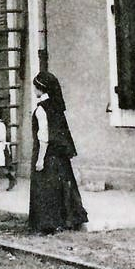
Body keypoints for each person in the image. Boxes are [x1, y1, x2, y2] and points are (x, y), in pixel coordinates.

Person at [29, 71, 89, 234]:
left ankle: (48, 223)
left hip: (47, 154)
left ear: (41, 88)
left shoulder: (41, 109)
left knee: (46, 189)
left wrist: (40, 160)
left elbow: (44, 137)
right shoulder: (56, 107)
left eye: (35, 87)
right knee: (63, 187)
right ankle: (69, 220)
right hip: (59, 157)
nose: (34, 90)